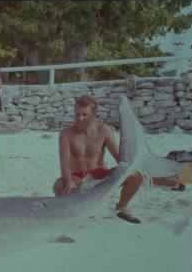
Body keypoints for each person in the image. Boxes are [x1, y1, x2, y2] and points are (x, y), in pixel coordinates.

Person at [52, 94, 143, 224]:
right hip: (78, 178)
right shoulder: (66, 133)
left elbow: (120, 159)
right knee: (59, 186)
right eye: (77, 114)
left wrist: (131, 167)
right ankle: (82, 209)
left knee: (135, 175)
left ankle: (122, 208)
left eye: (84, 115)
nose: (79, 118)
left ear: (94, 115)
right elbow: (64, 164)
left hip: (101, 176)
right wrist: (68, 181)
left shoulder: (103, 130)